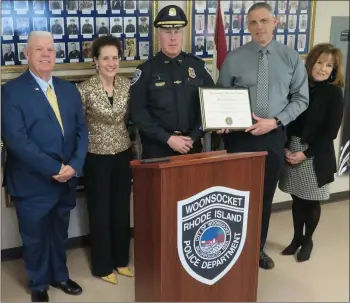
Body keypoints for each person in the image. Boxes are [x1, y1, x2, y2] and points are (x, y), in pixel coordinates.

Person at [216, 2, 309, 269]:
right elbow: (222, 95)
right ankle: (231, 247)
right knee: (234, 196)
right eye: (253, 23)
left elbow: (302, 99)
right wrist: (222, 120)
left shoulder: (290, 57)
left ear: (275, 22)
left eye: (264, 21)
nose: (259, 27)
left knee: (264, 196)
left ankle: (256, 249)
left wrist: (276, 121)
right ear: (247, 26)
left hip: (272, 136)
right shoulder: (235, 57)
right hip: (239, 137)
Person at [1, 31, 88, 302]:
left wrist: (73, 166)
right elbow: (17, 140)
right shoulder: (11, 91)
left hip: (66, 178)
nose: (46, 54)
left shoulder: (68, 89)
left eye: (50, 49)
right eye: (39, 50)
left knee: (58, 232)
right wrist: (55, 168)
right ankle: (38, 282)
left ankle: (59, 275)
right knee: (35, 236)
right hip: (33, 180)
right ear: (27, 54)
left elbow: (82, 131)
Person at [279, 43, 345, 262]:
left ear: (334, 70)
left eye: (329, 65)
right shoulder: (299, 86)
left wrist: (305, 155)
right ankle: (297, 238)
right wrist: (286, 146)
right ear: (310, 63)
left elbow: (331, 132)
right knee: (297, 198)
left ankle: (308, 241)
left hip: (314, 154)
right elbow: (288, 119)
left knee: (311, 201)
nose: (323, 69)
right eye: (319, 63)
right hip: (292, 148)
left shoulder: (334, 93)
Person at [76, 35, 133, 285]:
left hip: (122, 154)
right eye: (105, 58)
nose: (111, 63)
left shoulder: (127, 86)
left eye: (115, 58)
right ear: (95, 61)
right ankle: (102, 265)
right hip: (96, 157)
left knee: (121, 210)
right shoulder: (84, 88)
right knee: (100, 213)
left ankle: (121, 261)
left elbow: (131, 119)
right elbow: (78, 126)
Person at [130, 5, 214, 159]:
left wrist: (193, 136)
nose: (173, 37)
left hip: (191, 146)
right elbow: (138, 113)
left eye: (177, 32)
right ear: (159, 34)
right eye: (168, 32)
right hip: (157, 149)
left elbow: (210, 106)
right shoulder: (146, 70)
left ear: (182, 34)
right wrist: (167, 138)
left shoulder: (198, 67)